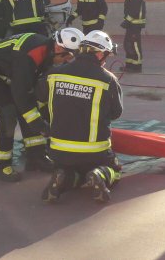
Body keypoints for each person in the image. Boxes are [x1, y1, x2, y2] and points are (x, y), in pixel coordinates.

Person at [0, 28, 83, 182]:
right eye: (66, 57)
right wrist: (39, 124)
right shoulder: (30, 55)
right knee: (6, 114)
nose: (65, 62)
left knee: (32, 108)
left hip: (9, 72)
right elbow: (21, 94)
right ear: (58, 48)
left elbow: (34, 91)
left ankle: (36, 157)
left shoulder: (47, 51)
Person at [39, 30, 123, 204]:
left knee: (74, 173)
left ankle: (63, 178)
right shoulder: (108, 80)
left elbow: (40, 100)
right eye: (106, 55)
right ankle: (99, 174)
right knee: (114, 169)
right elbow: (116, 113)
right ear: (99, 54)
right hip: (95, 151)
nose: (106, 59)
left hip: (58, 151)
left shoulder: (53, 74)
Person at [121, 0, 146, 73]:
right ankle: (129, 65)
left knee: (135, 44)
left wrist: (127, 20)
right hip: (131, 23)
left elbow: (134, 9)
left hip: (135, 24)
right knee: (128, 44)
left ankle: (137, 67)